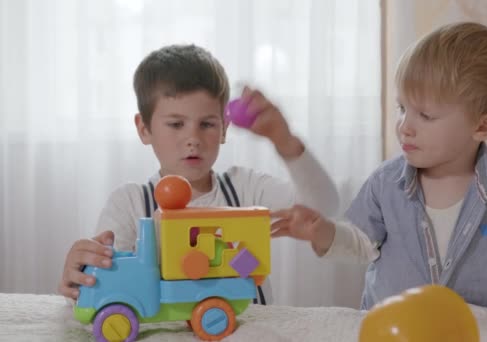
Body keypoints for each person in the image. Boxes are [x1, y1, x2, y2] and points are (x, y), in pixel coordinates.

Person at [270, 22, 487, 337]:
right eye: (403, 108)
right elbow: (360, 244)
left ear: (483, 127)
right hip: (394, 328)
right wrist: (324, 233)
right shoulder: (385, 183)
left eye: (425, 115)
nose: (404, 126)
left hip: (473, 327)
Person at [58, 44, 340, 305]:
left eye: (206, 124)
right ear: (144, 128)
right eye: (176, 124)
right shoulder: (130, 203)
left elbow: (323, 209)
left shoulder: (246, 189)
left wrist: (285, 141)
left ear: (224, 129)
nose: (193, 138)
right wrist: (83, 272)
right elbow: (107, 280)